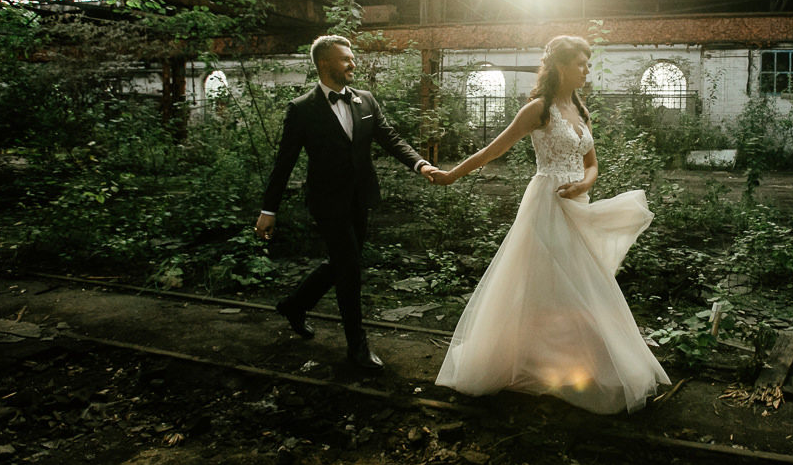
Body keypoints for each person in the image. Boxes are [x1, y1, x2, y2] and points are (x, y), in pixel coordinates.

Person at [429, 35, 670, 413]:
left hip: (578, 204)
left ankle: (577, 362)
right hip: (546, 203)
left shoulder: (581, 110)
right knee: (548, 282)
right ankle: (531, 360)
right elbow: (495, 149)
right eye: (581, 64)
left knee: (587, 283)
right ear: (560, 66)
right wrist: (451, 175)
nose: (586, 70)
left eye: (588, 64)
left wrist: (585, 184)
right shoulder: (538, 110)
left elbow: (592, 164)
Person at [255, 35, 437, 371]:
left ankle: (296, 305)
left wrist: (420, 164)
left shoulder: (366, 101)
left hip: (361, 198)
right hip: (326, 201)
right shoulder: (301, 109)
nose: (353, 64)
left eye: (352, 58)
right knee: (350, 269)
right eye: (345, 59)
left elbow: (391, 137)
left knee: (343, 262)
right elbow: (284, 162)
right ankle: (357, 348)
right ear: (325, 64)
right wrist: (269, 210)